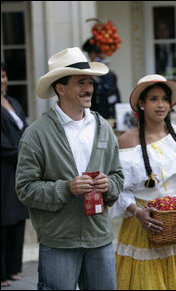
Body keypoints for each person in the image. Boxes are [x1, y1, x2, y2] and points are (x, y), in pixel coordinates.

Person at [15, 47, 124, 290]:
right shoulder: (36, 134)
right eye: (80, 82)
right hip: (58, 241)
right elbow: (24, 189)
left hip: (99, 238)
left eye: (90, 82)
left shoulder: (103, 127)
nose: (89, 88)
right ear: (60, 88)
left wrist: (110, 185)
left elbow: (118, 175)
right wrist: (67, 188)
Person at [108, 74, 176, 290]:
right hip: (144, 227)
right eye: (153, 99)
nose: (161, 104)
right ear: (141, 104)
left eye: (165, 99)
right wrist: (138, 212)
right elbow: (118, 188)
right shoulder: (127, 140)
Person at [1, 62, 29, 288]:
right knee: (3, 218)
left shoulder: (14, 102)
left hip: (18, 169)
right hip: (3, 170)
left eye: (3, 75)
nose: (1, 80)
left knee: (18, 216)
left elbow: (27, 131)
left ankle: (13, 268)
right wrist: (25, 154)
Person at [82, 37, 121, 120]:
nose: (101, 56)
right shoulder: (85, 77)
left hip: (112, 121)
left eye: (104, 52)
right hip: (94, 122)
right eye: (97, 52)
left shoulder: (111, 76)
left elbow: (117, 100)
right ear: (90, 54)